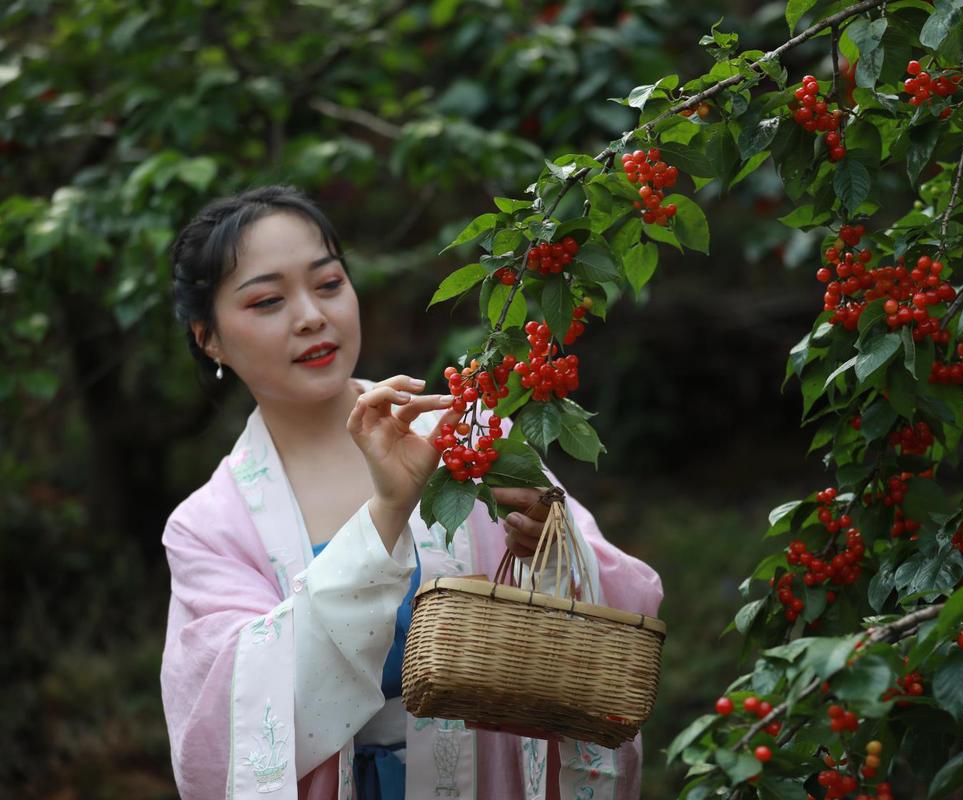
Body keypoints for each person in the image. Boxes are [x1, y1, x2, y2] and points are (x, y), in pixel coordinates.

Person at [159, 185, 663, 800]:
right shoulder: (209, 526)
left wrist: (542, 542)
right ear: (208, 336)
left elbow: (614, 603)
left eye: (328, 284)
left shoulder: (467, 436)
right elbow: (227, 716)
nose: (312, 316)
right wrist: (390, 509)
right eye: (267, 300)